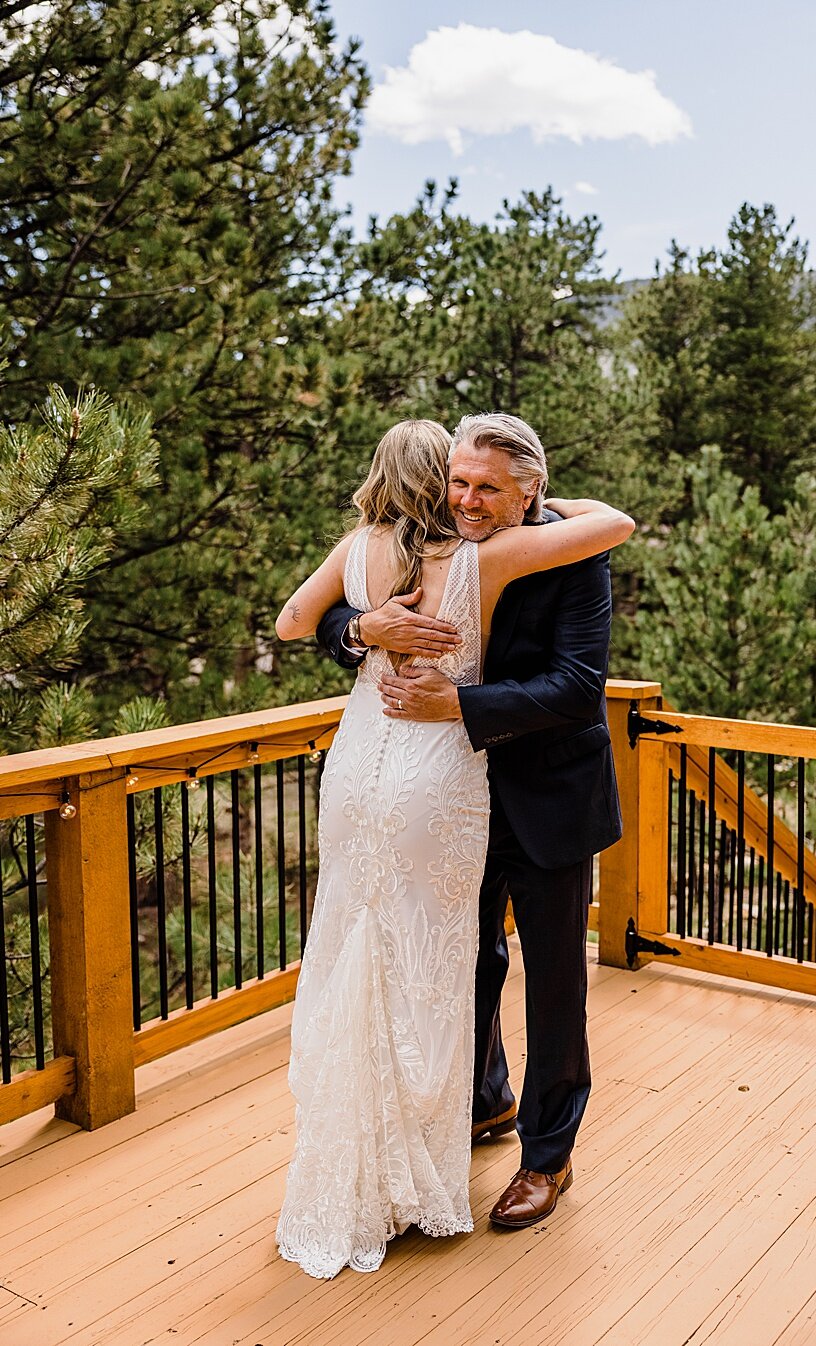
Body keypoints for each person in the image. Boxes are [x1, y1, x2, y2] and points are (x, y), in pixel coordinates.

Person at [272, 417, 633, 1278]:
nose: (467, 502)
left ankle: (548, 1156)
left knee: (552, 984)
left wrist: (459, 711)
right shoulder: (424, 548)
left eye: (487, 489)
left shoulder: (570, 555)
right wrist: (364, 631)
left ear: (530, 492)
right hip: (445, 802)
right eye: (458, 484)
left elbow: (579, 689)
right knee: (459, 965)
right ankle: (481, 1101)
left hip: (544, 798)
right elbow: (329, 624)